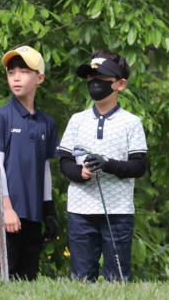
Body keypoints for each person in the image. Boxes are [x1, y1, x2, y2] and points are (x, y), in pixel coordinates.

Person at [59, 50, 148, 282]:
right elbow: (65, 161)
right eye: (90, 79)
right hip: (80, 211)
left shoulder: (132, 123)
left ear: (120, 84)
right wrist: (81, 173)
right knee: (81, 279)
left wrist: (107, 164)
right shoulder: (77, 120)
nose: (94, 83)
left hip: (118, 212)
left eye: (102, 79)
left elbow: (139, 166)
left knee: (117, 280)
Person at [0, 46, 60, 281]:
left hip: (32, 212)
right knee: (2, 280)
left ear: (40, 78)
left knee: (27, 282)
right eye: (11, 72)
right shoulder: (0, 116)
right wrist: (6, 209)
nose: (16, 77)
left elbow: (45, 168)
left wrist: (48, 212)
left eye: (24, 71)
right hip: (3, 211)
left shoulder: (47, 123)